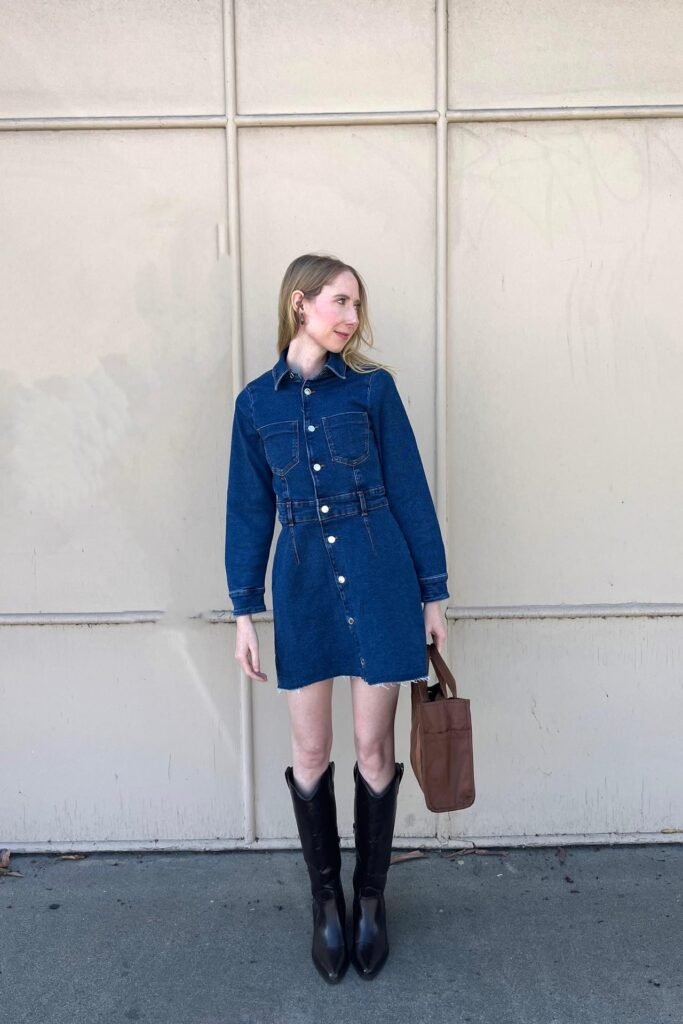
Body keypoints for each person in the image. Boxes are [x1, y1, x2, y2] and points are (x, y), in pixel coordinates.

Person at [225, 253, 449, 984]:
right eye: (341, 302)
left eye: (356, 305)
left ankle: (371, 901)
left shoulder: (373, 392)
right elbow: (248, 510)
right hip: (303, 589)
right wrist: (242, 612)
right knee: (312, 750)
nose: (352, 318)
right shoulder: (256, 404)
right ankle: (327, 902)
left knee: (372, 747)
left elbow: (410, 489)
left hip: (380, 576)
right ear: (300, 304)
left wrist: (433, 595)